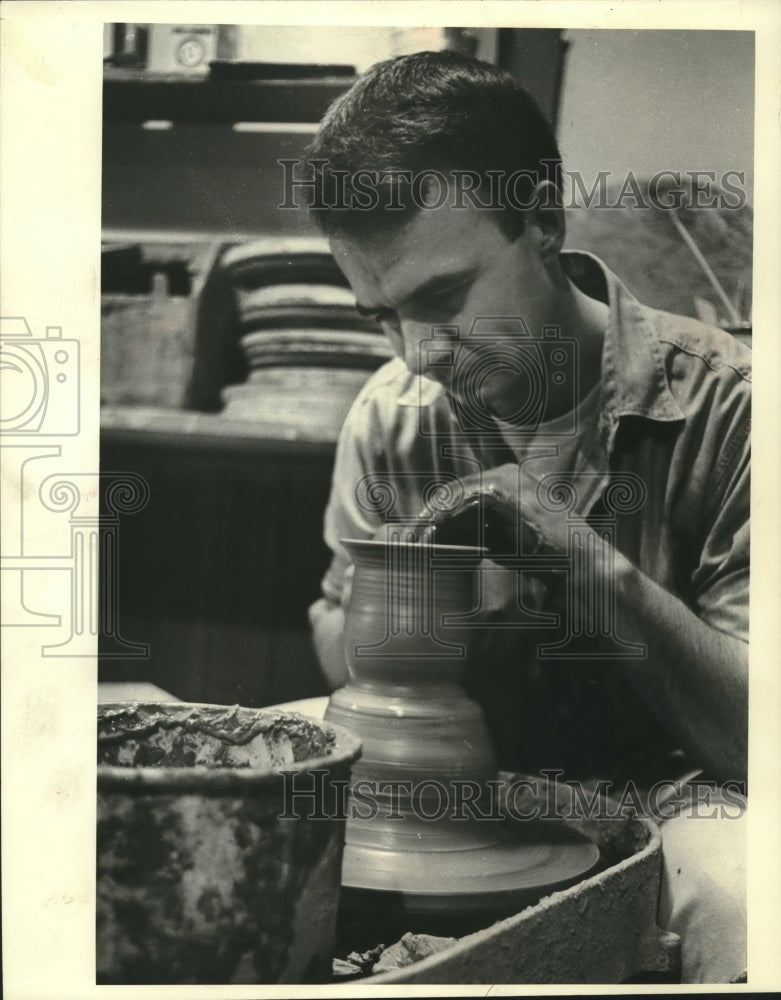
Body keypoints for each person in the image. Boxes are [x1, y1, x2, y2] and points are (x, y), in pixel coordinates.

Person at [302, 50, 749, 982]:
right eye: (381, 315)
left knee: (748, 894)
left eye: (440, 298)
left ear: (540, 219)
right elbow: (351, 660)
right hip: (474, 778)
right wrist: (372, 627)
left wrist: (576, 556)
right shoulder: (391, 417)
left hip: (678, 786)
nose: (417, 353)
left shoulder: (734, 408)